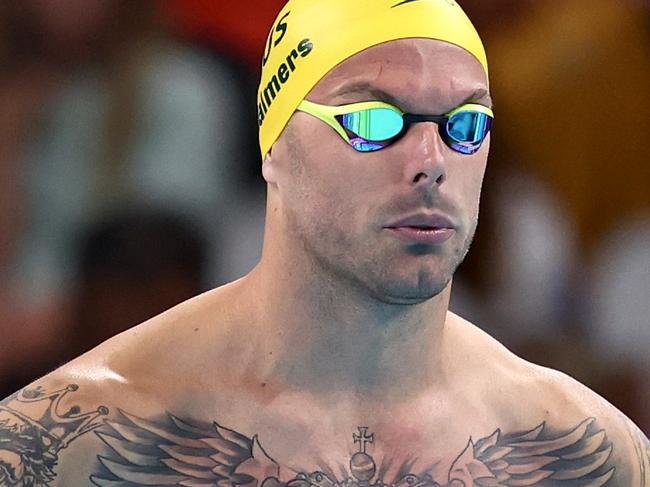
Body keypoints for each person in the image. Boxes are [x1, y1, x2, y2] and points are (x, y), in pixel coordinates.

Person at [1, 0, 648, 485]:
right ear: (274, 146)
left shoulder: (578, 450)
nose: (432, 159)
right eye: (372, 121)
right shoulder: (71, 437)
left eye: (465, 122)